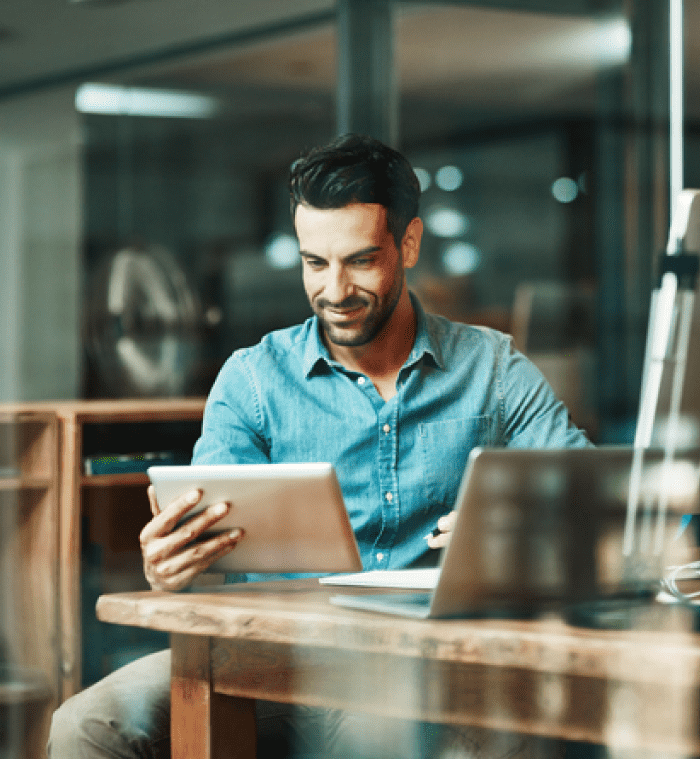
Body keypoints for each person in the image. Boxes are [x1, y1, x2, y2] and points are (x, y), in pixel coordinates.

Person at [47, 133, 591, 759]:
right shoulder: (254, 379)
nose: (334, 290)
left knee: (387, 736)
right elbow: (207, 547)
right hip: (272, 659)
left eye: (360, 260)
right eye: (314, 263)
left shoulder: (492, 369)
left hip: (421, 666)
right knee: (86, 724)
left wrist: (512, 524)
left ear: (408, 244)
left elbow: (585, 497)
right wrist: (169, 568)